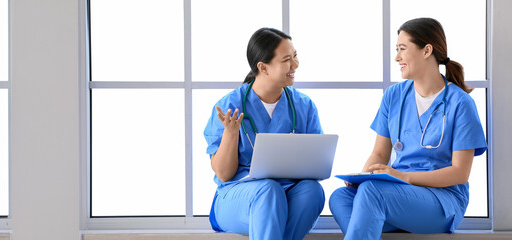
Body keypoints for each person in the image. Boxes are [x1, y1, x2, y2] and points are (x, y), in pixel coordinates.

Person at [329, 18, 487, 239]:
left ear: (427, 50)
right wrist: (362, 177)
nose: (397, 57)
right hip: (397, 194)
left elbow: (460, 173)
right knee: (341, 197)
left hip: (441, 200)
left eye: (402, 49)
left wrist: (404, 177)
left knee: (371, 192)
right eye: (396, 50)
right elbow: (380, 153)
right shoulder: (393, 96)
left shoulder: (460, 103)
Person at [203, 27, 325, 240]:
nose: (295, 65)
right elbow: (223, 174)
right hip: (238, 198)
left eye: (295, 56)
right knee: (268, 190)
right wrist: (231, 134)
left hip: (287, 193)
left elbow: (315, 165)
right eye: (287, 59)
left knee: (313, 191)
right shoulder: (229, 106)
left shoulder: (303, 106)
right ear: (263, 67)